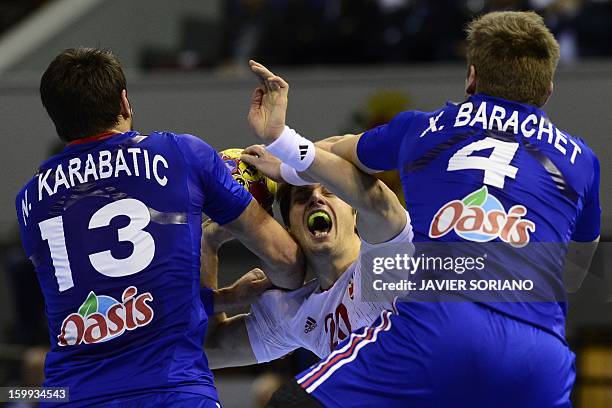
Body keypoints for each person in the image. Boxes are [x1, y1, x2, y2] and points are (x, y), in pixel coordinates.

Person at [244, 10, 600, 408]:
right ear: (548, 88)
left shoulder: (430, 126)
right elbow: (573, 274)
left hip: (442, 328)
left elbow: (340, 152)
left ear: (471, 77)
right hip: (541, 356)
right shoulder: (582, 161)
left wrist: (281, 148)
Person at [14, 47, 305, 407]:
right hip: (172, 391)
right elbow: (287, 261)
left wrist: (225, 298)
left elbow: (110, 307)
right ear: (124, 102)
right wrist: (214, 238)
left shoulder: (29, 203)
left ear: (58, 120)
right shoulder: (182, 154)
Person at [201, 172, 411, 369]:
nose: (316, 198)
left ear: (354, 213)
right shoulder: (294, 313)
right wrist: (207, 246)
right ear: (290, 229)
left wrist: (289, 155)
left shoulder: (386, 258)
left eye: (329, 191)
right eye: (302, 197)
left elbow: (375, 197)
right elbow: (209, 351)